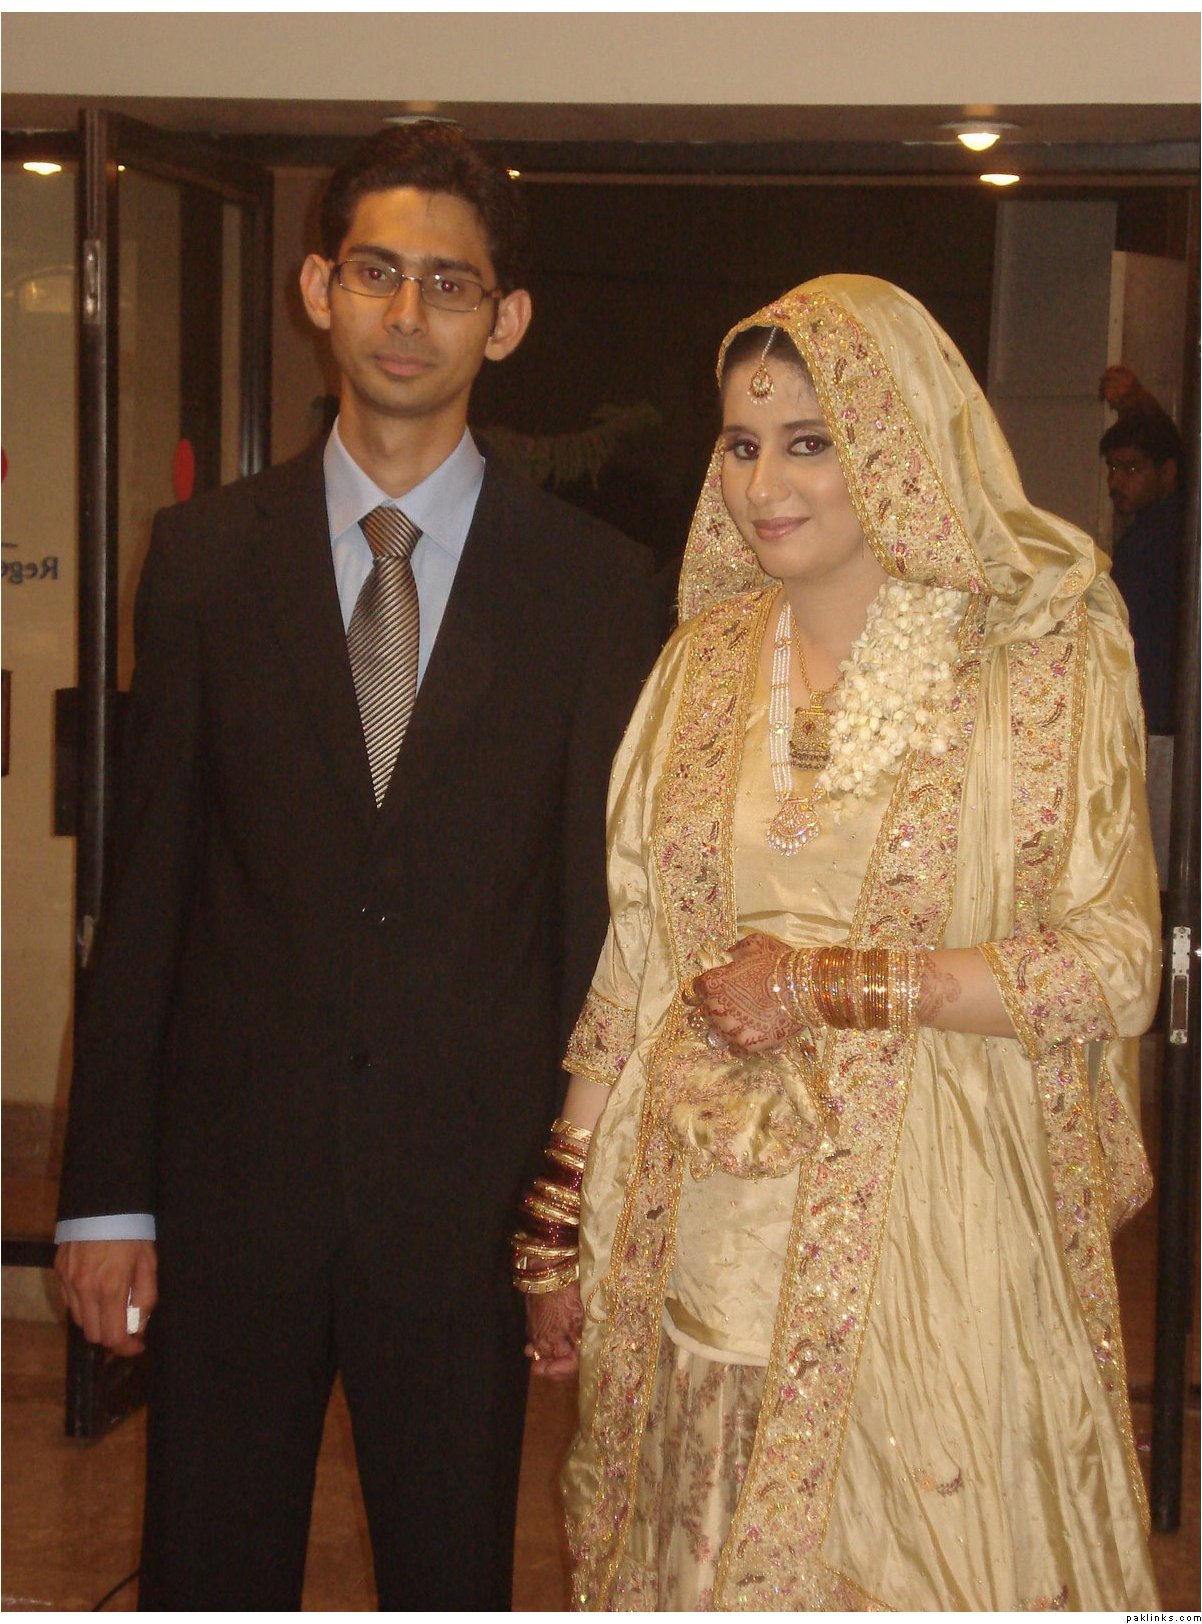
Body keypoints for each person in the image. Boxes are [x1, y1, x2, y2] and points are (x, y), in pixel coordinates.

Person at [54, 121, 663, 1610]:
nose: (407, 313)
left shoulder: (593, 588)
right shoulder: (202, 557)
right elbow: (150, 889)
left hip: (468, 1204)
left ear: (504, 322)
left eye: (449, 285)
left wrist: (582, 1214)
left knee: (451, 1576)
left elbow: (595, 925)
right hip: (231, 1189)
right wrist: (106, 1198)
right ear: (318, 289)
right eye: (376, 272)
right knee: (208, 1572)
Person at [513, 276, 1162, 1610]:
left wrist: (822, 985)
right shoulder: (698, 661)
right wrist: (558, 1204)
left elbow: (1110, 966)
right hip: (703, 1235)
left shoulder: (1037, 661)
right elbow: (640, 953)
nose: (764, 484)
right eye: (740, 444)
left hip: (939, 1236)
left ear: (898, 441)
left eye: (809, 441)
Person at [1099, 402, 1185, 736]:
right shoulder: (1164, 529)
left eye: (1131, 468)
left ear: (1167, 472)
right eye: (1113, 468)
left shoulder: (1152, 539)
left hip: (1157, 715)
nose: (1116, 481)